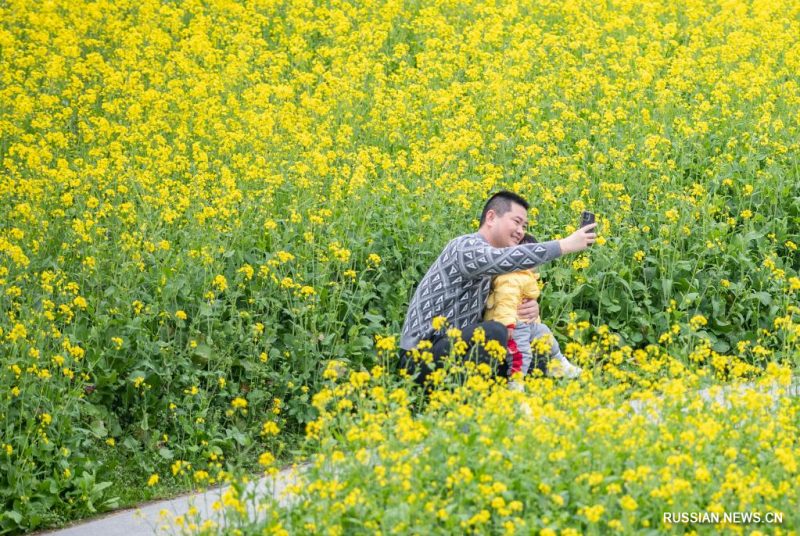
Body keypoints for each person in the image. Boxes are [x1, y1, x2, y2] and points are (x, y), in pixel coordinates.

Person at [399, 190, 596, 386]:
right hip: (420, 357)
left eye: (524, 226)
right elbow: (504, 259)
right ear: (491, 217)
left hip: (456, 351)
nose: (521, 231)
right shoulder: (465, 247)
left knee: (531, 350)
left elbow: (499, 304)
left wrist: (527, 311)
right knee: (495, 331)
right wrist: (565, 245)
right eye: (517, 222)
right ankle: (471, 402)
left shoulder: (496, 270)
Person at [484, 233, 582, 389]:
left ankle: (559, 363)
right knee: (521, 353)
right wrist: (508, 325)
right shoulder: (510, 277)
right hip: (511, 324)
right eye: (529, 254)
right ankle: (516, 382)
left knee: (545, 335)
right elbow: (505, 303)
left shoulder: (526, 276)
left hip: (525, 324)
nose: (534, 258)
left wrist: (534, 321)